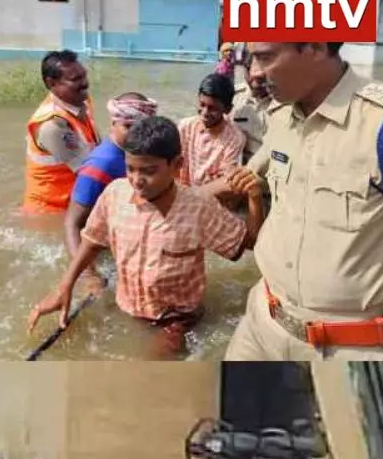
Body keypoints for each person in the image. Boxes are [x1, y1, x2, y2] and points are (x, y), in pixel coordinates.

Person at [224, 41, 383, 361]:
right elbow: (244, 176)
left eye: (265, 57)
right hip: (261, 325)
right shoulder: (282, 115)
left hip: (354, 348)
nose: (254, 73)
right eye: (250, 58)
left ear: (314, 47)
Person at [28, 115, 264, 358]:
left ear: (177, 165)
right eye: (131, 168)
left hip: (175, 319)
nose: (137, 180)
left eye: (149, 171)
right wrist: (64, 286)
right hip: (127, 306)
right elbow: (92, 241)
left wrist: (254, 198)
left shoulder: (200, 207)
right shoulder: (115, 194)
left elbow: (249, 243)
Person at [63, 92, 157, 259]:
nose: (135, 134)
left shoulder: (138, 153)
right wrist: (88, 275)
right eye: (128, 127)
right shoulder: (101, 165)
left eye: (141, 128)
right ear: (113, 123)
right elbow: (72, 223)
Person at [21, 50, 99, 214]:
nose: (85, 83)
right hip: (51, 212)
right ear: (52, 83)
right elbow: (92, 173)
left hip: (73, 201)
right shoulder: (52, 126)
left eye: (84, 75)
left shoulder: (80, 99)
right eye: (75, 79)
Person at [179, 73, 246, 192]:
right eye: (202, 104)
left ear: (227, 109)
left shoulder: (235, 138)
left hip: (213, 195)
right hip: (183, 190)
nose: (205, 112)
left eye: (212, 108)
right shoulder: (185, 127)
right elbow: (176, 163)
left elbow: (225, 177)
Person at [231, 66, 279, 164]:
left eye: (261, 78)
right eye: (249, 73)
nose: (255, 84)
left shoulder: (286, 100)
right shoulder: (234, 96)